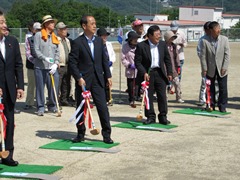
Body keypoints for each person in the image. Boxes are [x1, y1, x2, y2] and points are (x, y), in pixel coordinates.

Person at [69, 15, 113, 144]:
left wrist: (108, 75)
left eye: (95, 23)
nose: (94, 26)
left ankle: (106, 134)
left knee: (102, 107)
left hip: (98, 79)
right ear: (84, 26)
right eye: (92, 23)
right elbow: (72, 62)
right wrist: (78, 77)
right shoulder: (77, 42)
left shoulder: (99, 41)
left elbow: (104, 60)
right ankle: (80, 133)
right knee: (81, 107)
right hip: (84, 80)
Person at [135, 25, 173, 125]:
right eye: (156, 35)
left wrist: (169, 72)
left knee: (162, 96)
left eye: (159, 34)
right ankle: (150, 116)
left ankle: (163, 116)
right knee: (148, 96)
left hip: (160, 72)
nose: (158, 37)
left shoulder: (162, 44)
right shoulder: (141, 46)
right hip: (148, 73)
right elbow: (137, 62)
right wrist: (144, 72)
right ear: (149, 36)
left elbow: (167, 59)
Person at [0, 10, 24, 166]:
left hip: (9, 89)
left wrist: (20, 86)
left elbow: (18, 65)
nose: (5, 25)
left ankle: (7, 155)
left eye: (4, 21)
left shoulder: (12, 41)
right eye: (1, 22)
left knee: (9, 122)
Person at [200, 21, 230, 112]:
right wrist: (204, 68)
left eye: (219, 29)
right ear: (211, 31)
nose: (219, 31)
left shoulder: (224, 39)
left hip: (222, 68)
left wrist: (224, 67)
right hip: (210, 68)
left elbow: (227, 55)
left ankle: (222, 106)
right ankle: (210, 104)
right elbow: (203, 56)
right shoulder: (205, 41)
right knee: (210, 88)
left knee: (223, 88)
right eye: (217, 30)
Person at [34, 15, 60, 116]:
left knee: (54, 86)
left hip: (52, 67)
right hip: (40, 66)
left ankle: (52, 105)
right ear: (46, 24)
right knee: (40, 87)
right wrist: (44, 57)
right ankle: (40, 107)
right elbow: (36, 50)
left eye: (53, 22)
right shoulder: (38, 35)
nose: (53, 24)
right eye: (51, 22)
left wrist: (56, 63)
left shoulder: (55, 37)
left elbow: (57, 51)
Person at [24, 22, 41, 110]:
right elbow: (27, 52)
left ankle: (40, 103)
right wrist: (35, 61)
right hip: (31, 65)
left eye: (40, 29)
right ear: (33, 30)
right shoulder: (29, 39)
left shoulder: (44, 38)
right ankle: (29, 102)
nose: (38, 31)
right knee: (31, 84)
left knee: (41, 85)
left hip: (42, 65)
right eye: (37, 29)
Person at [97, 27, 116, 105]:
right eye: (103, 36)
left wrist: (111, 61)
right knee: (101, 83)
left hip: (108, 67)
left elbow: (113, 54)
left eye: (106, 35)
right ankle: (102, 99)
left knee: (108, 83)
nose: (105, 37)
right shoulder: (97, 45)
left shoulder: (109, 44)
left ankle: (109, 98)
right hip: (100, 67)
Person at [164, 31, 184, 103]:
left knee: (177, 83)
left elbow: (177, 57)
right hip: (165, 68)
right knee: (165, 84)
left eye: (173, 38)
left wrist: (178, 66)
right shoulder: (163, 46)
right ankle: (165, 98)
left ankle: (178, 97)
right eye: (171, 37)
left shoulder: (174, 46)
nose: (172, 39)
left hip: (173, 68)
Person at [121, 31, 140, 107]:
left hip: (139, 68)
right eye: (134, 39)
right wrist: (129, 65)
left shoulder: (139, 46)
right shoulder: (125, 47)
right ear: (130, 39)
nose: (136, 40)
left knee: (138, 84)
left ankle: (137, 96)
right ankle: (131, 99)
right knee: (131, 85)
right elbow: (123, 59)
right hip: (130, 69)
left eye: (136, 38)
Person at [56, 22, 71, 106]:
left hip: (67, 64)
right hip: (59, 65)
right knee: (58, 83)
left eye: (65, 29)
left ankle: (64, 99)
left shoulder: (67, 40)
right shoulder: (55, 40)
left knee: (66, 83)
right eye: (63, 29)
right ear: (58, 31)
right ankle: (56, 100)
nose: (65, 30)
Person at [196, 21, 211, 106]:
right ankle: (202, 99)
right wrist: (204, 61)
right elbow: (199, 52)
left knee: (215, 82)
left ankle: (213, 98)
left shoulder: (215, 38)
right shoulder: (202, 39)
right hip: (205, 63)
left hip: (214, 64)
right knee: (204, 81)